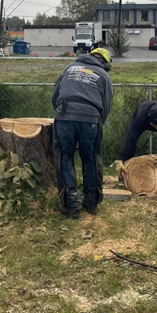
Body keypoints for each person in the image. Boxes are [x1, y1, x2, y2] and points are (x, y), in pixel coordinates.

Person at [51, 47, 113, 218]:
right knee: (91, 158)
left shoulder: (68, 69)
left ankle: (72, 203)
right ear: (105, 63)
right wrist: (97, 123)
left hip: (64, 116)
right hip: (91, 119)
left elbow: (54, 97)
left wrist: (62, 115)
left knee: (65, 157)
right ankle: (91, 202)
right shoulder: (104, 76)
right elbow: (106, 105)